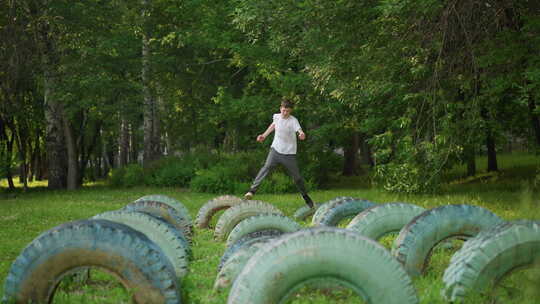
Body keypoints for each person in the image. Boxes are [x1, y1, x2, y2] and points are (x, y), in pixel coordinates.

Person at [244, 99, 315, 208]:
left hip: (289, 153)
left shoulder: (293, 121)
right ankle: (252, 191)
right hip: (275, 150)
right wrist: (264, 135)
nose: (285, 113)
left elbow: (299, 130)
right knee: (266, 167)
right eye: (283, 110)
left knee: (297, 177)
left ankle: (305, 196)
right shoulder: (276, 117)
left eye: (287, 111)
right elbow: (273, 126)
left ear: (290, 111)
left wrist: (301, 134)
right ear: (280, 109)